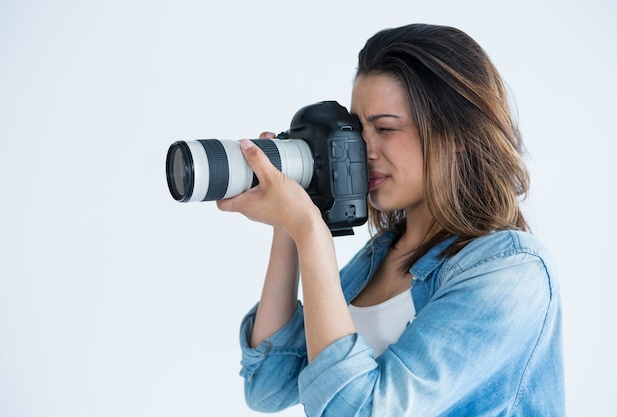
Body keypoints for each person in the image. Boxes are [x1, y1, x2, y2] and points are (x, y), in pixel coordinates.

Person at [217, 23, 565, 416]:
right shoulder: (379, 258)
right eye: (356, 129)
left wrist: (310, 230)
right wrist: (288, 215)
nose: (362, 149)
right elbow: (268, 385)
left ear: (456, 134)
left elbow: (361, 410)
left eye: (385, 128)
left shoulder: (512, 270)